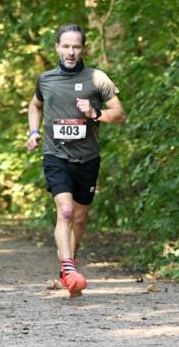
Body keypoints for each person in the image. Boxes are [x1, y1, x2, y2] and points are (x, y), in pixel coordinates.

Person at [26, 23, 126, 297]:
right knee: (66, 211)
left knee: (80, 218)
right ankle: (69, 268)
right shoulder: (46, 79)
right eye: (66, 46)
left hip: (88, 158)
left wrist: (95, 113)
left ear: (83, 49)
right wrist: (34, 132)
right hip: (56, 155)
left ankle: (69, 268)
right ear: (57, 47)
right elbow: (35, 105)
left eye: (76, 47)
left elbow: (119, 114)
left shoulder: (97, 79)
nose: (71, 52)